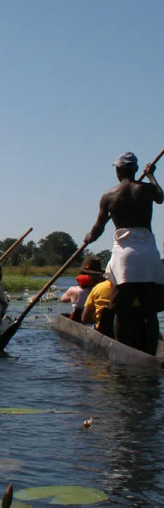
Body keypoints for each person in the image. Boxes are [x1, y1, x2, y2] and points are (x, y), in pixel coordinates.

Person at [83, 152, 164, 355]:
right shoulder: (145, 189)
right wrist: (152, 175)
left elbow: (98, 228)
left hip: (125, 256)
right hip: (148, 253)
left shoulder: (109, 196)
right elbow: (160, 197)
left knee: (121, 310)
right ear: (135, 169)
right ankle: (152, 353)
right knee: (150, 311)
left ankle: (121, 354)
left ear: (118, 171)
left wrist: (88, 238)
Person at [61, 256, 106, 322]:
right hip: (96, 321)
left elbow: (63, 300)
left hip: (78, 320)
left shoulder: (74, 290)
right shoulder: (101, 289)